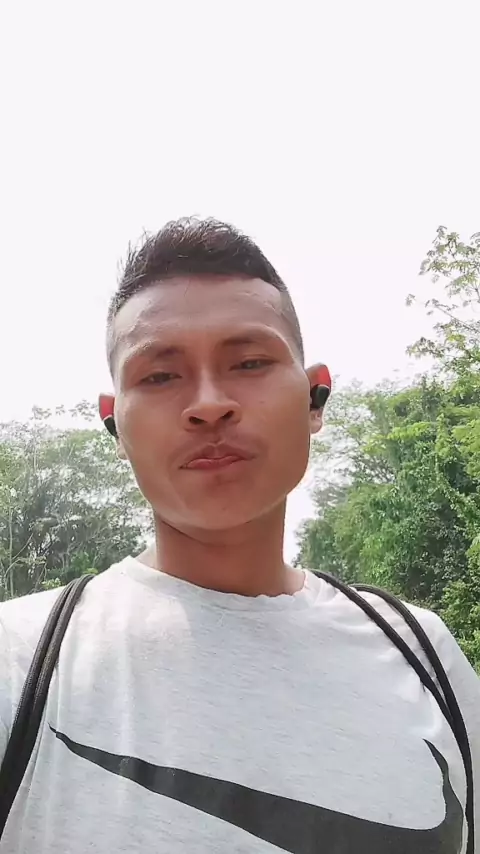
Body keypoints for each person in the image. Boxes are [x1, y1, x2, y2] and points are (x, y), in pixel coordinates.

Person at [0, 217, 478, 854]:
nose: (208, 404)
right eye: (160, 376)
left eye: (249, 362)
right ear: (114, 424)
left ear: (315, 398)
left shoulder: (425, 655)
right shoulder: (19, 663)